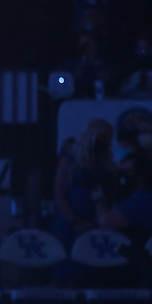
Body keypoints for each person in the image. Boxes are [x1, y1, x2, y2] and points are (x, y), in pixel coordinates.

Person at [51, 119, 116, 285]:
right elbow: (59, 193)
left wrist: (94, 223)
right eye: (102, 136)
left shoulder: (107, 162)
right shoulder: (70, 159)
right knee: (65, 266)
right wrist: (75, 220)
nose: (106, 141)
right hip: (69, 221)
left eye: (109, 137)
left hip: (96, 222)